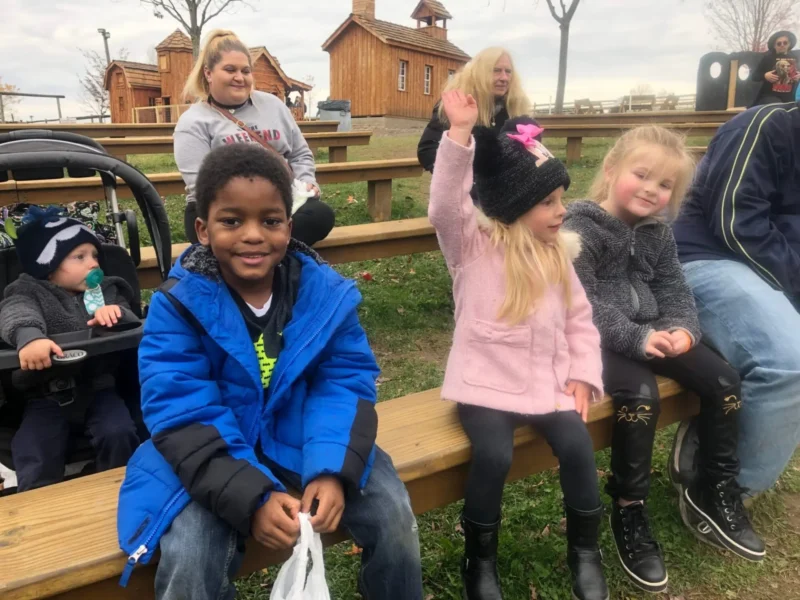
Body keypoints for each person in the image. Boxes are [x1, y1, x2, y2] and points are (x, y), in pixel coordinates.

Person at [116, 143, 423, 600]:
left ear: (289, 226)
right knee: (191, 554)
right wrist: (254, 496)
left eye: (271, 221)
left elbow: (343, 379)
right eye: (232, 221)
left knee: (394, 516)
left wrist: (332, 469)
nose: (254, 235)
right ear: (202, 229)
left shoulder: (324, 293)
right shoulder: (177, 305)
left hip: (306, 436)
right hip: (210, 452)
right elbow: (180, 409)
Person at [564, 126, 765, 594]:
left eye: (665, 185)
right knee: (641, 395)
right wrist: (638, 337)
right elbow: (584, 304)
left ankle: (714, 488)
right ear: (611, 171)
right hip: (599, 341)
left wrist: (682, 330)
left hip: (653, 332)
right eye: (642, 175)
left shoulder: (659, 233)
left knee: (724, 381)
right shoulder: (581, 226)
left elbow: (674, 289)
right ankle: (629, 509)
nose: (652, 190)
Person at [429, 90, 608, 600]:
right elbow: (445, 204)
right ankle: (479, 563)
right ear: (512, 205)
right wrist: (459, 136)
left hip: (546, 383)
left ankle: (585, 554)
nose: (561, 212)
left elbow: (581, 322)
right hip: (483, 385)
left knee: (577, 445)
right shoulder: (472, 245)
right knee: (494, 454)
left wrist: (582, 373)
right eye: (547, 203)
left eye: (560, 200)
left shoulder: (558, 256)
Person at [672, 101, 800, 502]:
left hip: (775, 272)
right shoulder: (766, 125)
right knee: (789, 361)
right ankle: (723, 489)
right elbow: (735, 223)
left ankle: (720, 426)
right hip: (707, 256)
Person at [0, 207, 139, 492]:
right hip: (46, 394)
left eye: (95, 256)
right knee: (33, 449)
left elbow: (131, 319)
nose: (93, 265)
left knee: (120, 432)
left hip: (100, 388)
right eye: (79, 257)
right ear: (47, 266)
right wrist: (30, 337)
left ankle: (117, 487)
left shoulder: (106, 292)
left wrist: (115, 315)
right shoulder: (28, 291)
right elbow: (16, 312)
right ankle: (39, 502)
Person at [175, 29, 335, 247]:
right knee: (230, 233)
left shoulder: (273, 105)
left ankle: (267, 264)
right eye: (230, 69)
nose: (239, 78)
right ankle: (272, 269)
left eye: (246, 71)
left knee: (318, 216)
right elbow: (200, 184)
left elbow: (299, 153)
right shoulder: (193, 121)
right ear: (208, 73)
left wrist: (307, 182)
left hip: (278, 201)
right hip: (220, 207)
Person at [417, 47, 533, 174]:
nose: (504, 78)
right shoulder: (456, 104)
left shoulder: (516, 107)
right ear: (480, 73)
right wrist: (460, 176)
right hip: (464, 186)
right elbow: (428, 149)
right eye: (496, 70)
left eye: (508, 71)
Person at [750, 30, 800, 106]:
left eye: (785, 43)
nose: (782, 45)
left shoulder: (795, 58)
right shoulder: (767, 58)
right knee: (777, 107)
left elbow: (796, 75)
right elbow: (754, 76)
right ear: (774, 46)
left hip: (789, 96)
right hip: (770, 96)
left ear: (789, 44)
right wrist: (765, 75)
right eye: (779, 43)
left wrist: (798, 76)